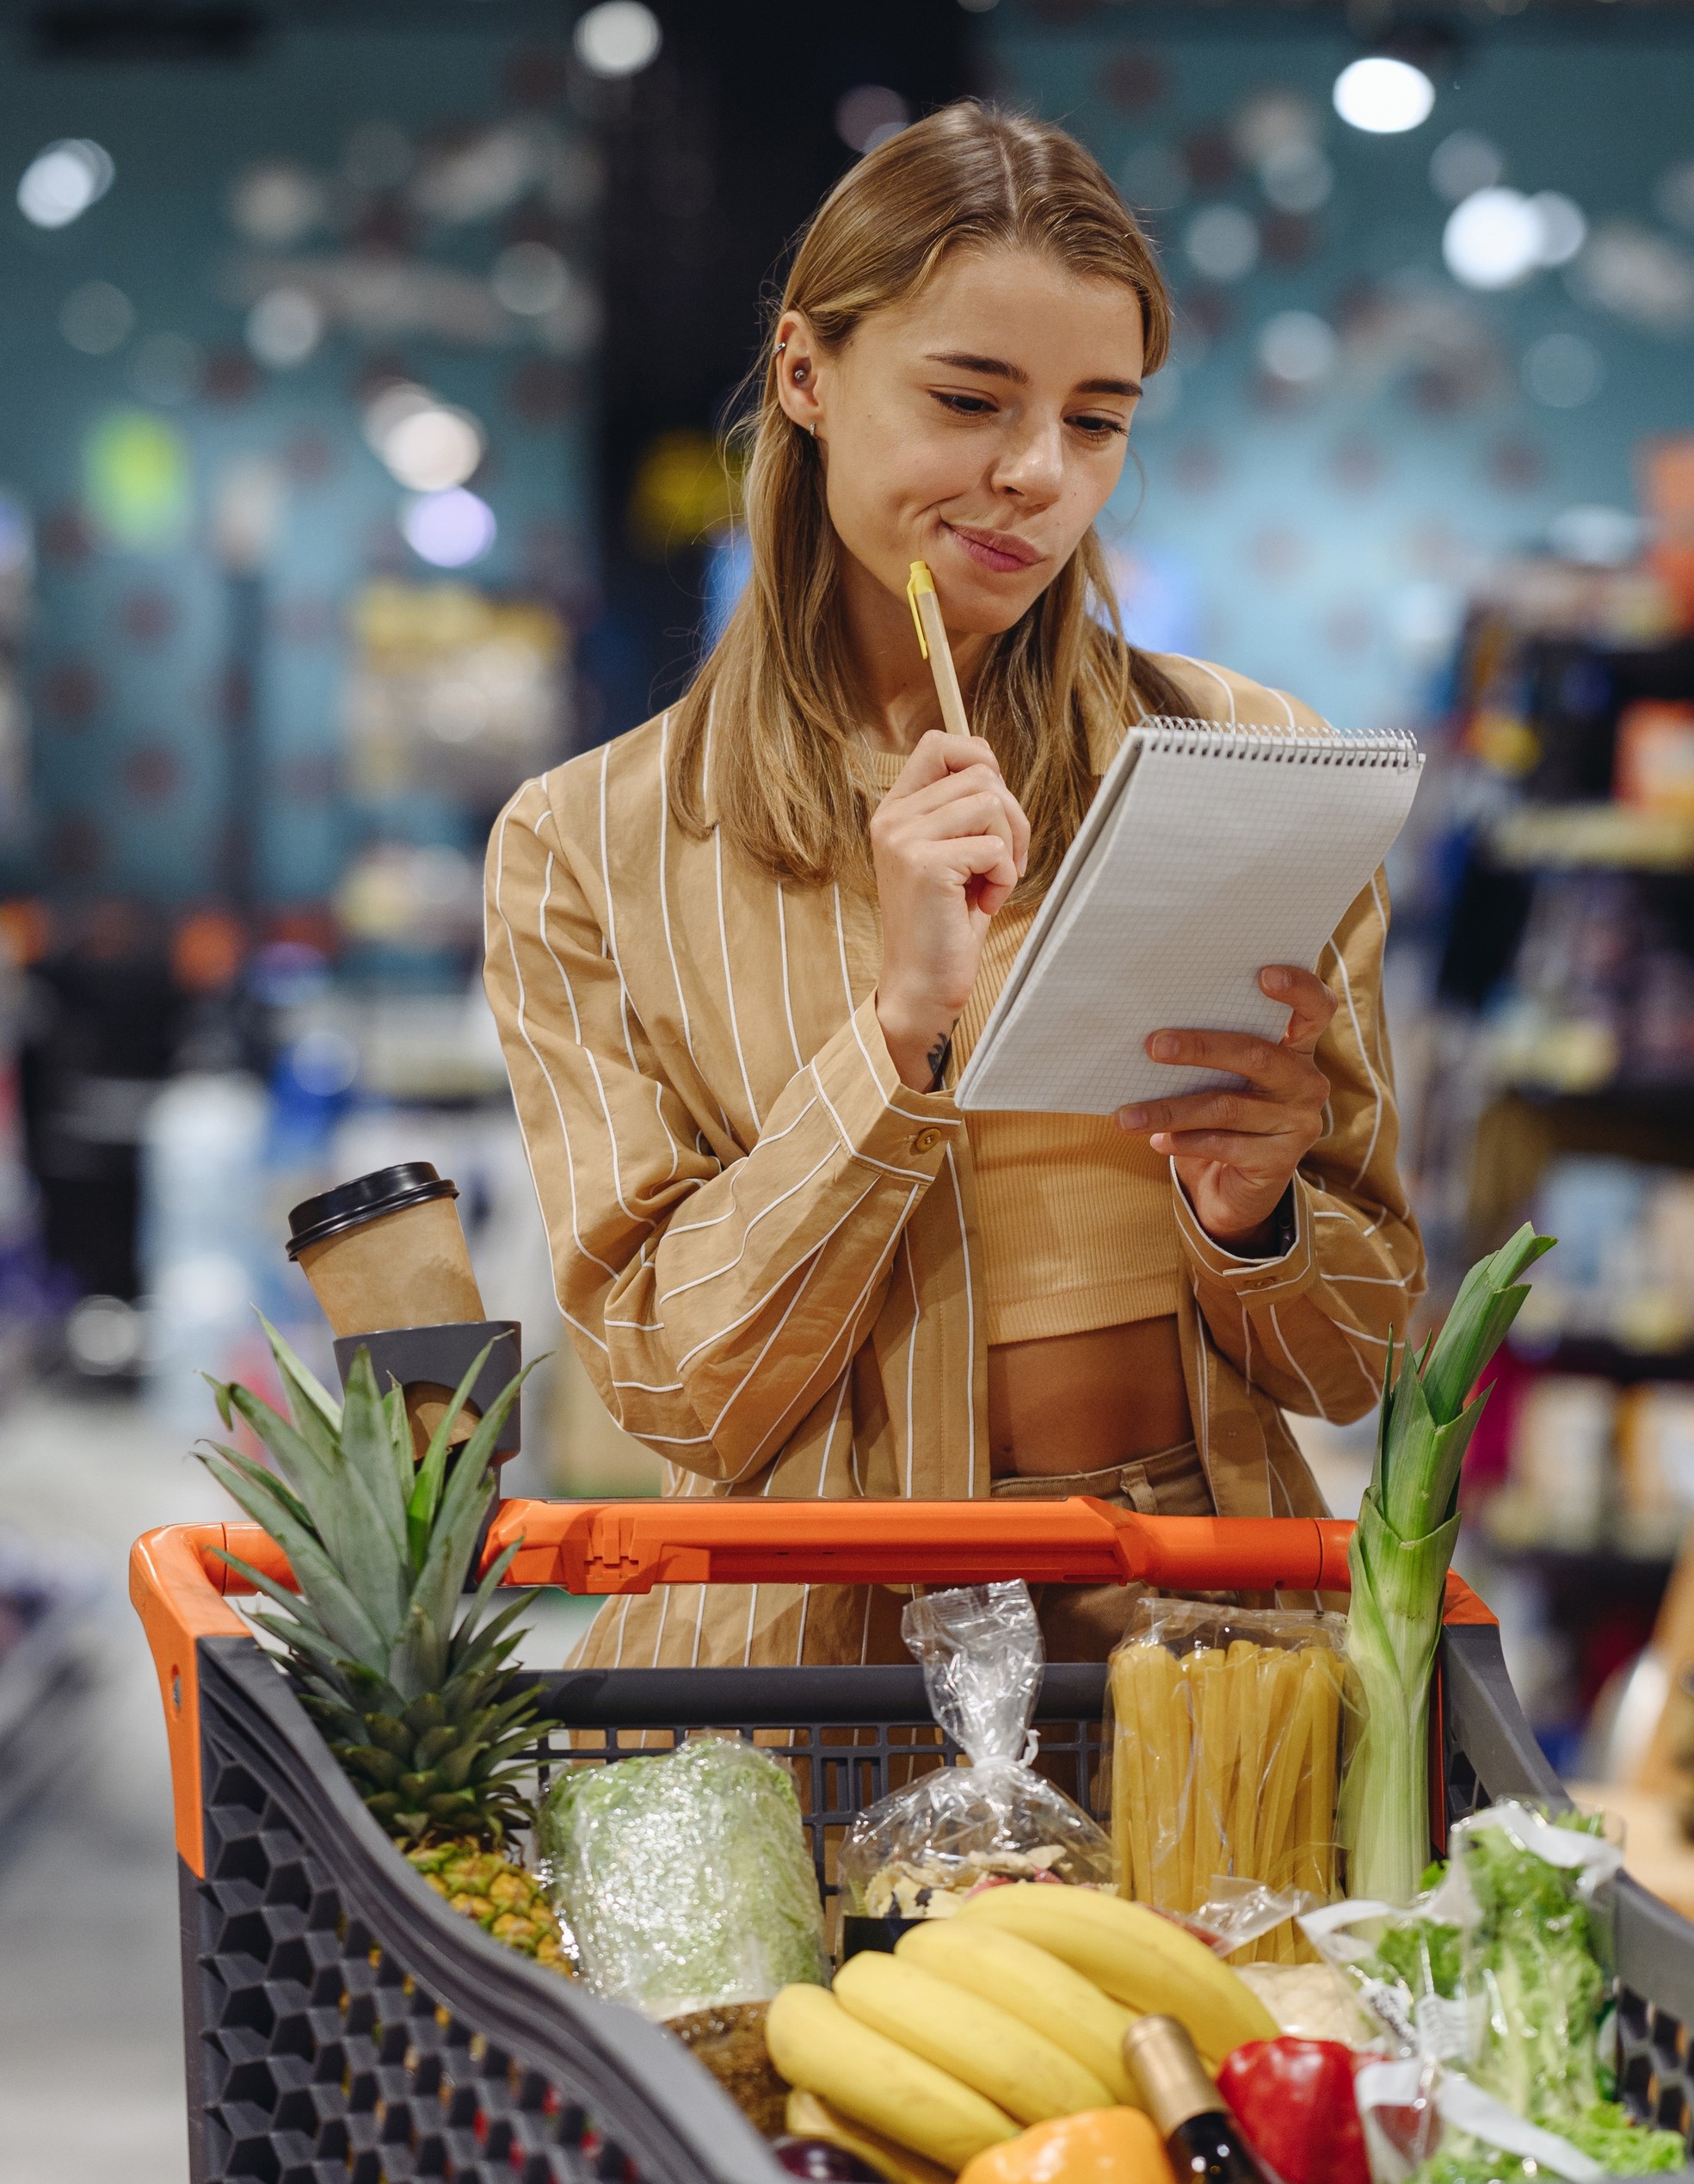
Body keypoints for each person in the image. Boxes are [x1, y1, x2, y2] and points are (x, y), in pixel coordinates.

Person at [482, 102, 1422, 1667]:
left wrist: (1254, 1217)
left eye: (1098, 419)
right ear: (806, 375)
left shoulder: (1249, 761)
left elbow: (1356, 1355)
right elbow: (667, 1382)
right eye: (970, 399)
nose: (1037, 476)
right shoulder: (591, 843)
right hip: (807, 1676)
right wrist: (898, 1038)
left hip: (1204, 1653)